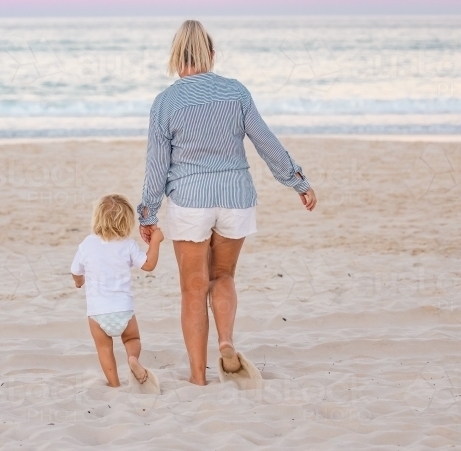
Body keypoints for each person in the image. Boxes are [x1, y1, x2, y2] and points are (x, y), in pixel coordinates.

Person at [138, 20, 317, 386]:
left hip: (190, 202)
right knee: (223, 276)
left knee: (192, 287)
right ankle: (225, 340)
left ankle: (197, 378)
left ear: (175, 56)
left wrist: (148, 213)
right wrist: (296, 180)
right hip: (235, 197)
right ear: (212, 54)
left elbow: (157, 164)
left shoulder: (165, 102)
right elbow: (264, 140)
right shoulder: (236, 92)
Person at [71, 194, 163, 388]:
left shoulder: (87, 244)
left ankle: (114, 384)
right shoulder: (128, 245)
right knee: (132, 338)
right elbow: (148, 265)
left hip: (97, 312)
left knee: (104, 349)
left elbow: (75, 271)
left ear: (97, 219)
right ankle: (132, 359)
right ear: (127, 221)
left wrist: (79, 282)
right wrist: (155, 242)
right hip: (124, 309)